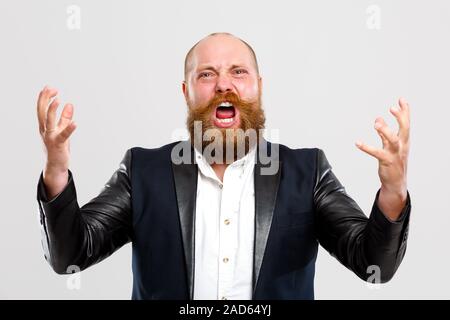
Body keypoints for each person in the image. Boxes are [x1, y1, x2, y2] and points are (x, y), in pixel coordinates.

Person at [36, 32, 411, 300]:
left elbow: (372, 265)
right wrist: (56, 172)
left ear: (258, 87)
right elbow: (71, 256)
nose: (223, 85)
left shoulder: (306, 170)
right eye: (207, 74)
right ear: (186, 91)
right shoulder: (143, 171)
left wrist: (393, 192)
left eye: (238, 72)